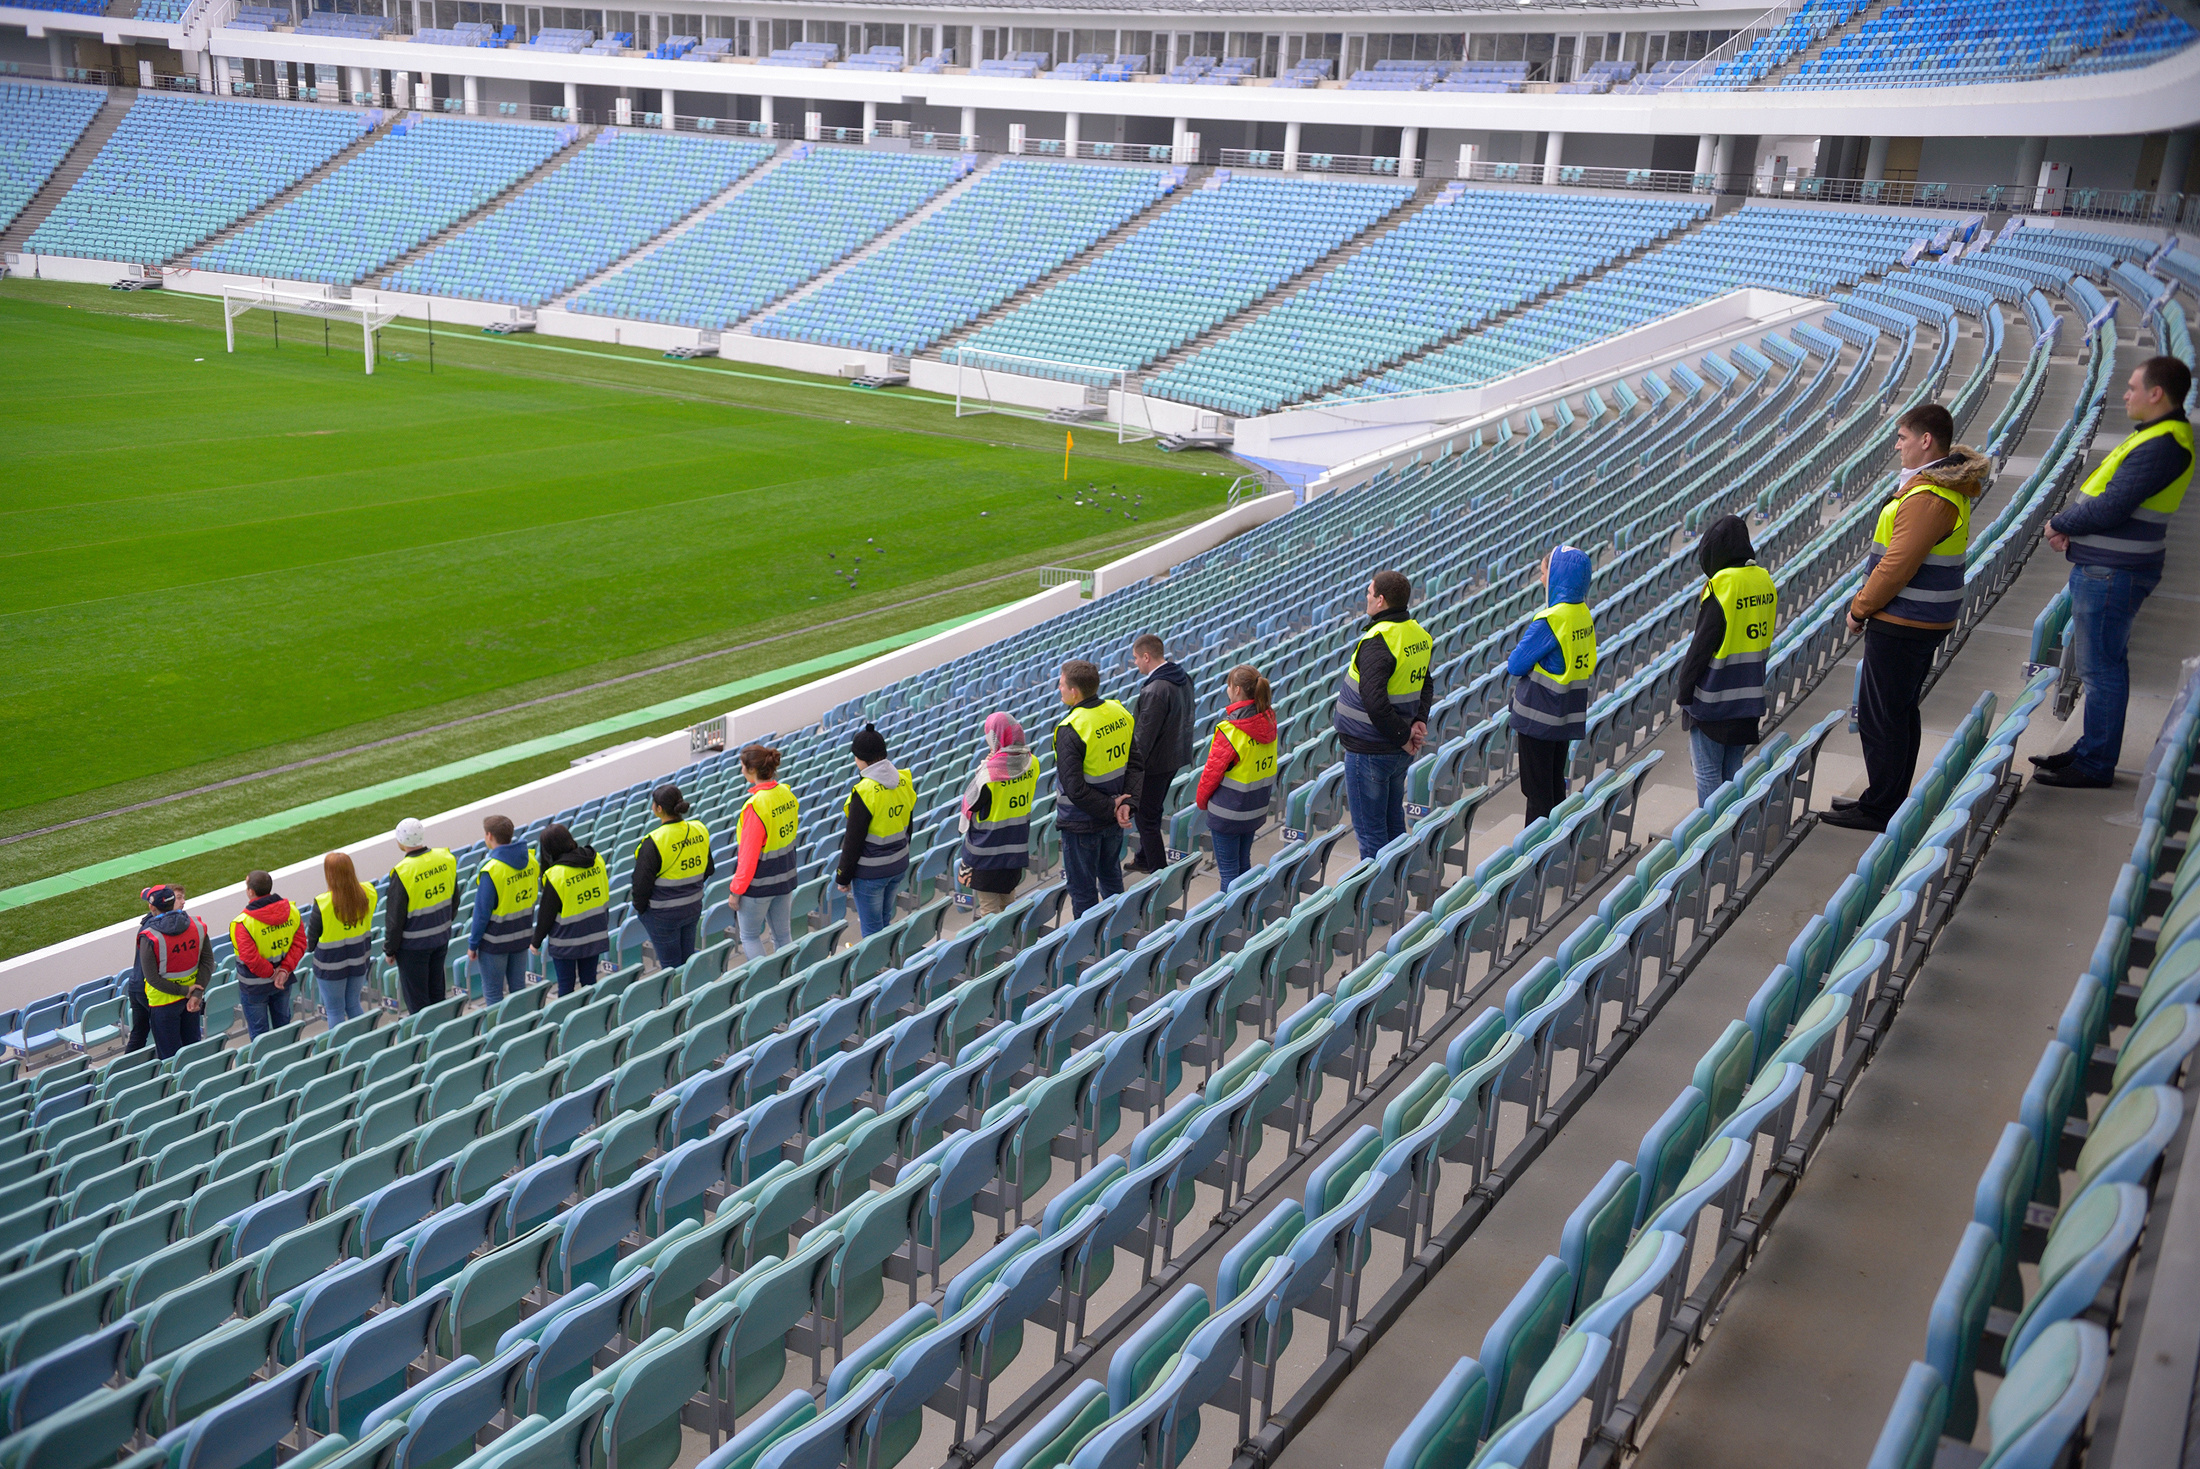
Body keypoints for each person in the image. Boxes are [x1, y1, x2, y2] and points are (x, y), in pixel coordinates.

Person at [1824, 404, 1991, 831]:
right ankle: (1883, 797)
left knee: (1882, 715)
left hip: (1905, 619)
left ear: (1925, 441)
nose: (1897, 445)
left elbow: (1897, 565)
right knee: (1896, 711)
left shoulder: (1930, 496)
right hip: (1918, 617)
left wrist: (1860, 607)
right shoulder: (1935, 487)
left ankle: (1880, 807)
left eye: (1901, 437)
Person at [2034, 354, 2192, 789]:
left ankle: (2096, 763)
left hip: (2113, 572)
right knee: (2100, 667)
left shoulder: (2163, 443)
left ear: (2156, 394)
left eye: (2133, 387)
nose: (2125, 394)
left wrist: (2060, 524)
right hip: (2108, 568)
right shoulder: (2157, 436)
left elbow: (2113, 505)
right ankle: (2089, 751)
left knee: (2101, 670)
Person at [1677, 516, 1778, 805]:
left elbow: (1701, 647)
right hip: (1749, 696)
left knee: (1707, 773)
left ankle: (1711, 838)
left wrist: (1684, 691)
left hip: (1714, 699)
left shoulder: (1722, 586)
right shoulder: (1763, 579)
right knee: (1733, 773)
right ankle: (1729, 837)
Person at [1335, 569, 1433, 859]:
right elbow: (1425, 682)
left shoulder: (1379, 640)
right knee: (1393, 828)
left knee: (1371, 835)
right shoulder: (1419, 634)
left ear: (1381, 600)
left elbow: (1375, 703)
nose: (1366, 598)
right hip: (1394, 748)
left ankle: (1376, 900)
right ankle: (1394, 893)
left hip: (1370, 751)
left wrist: (1405, 736)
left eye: (1369, 593)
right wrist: (1418, 722)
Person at [1507, 545, 1598, 823]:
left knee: (1537, 792)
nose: (1541, 578)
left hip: (1539, 717)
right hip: (1566, 714)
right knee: (1555, 784)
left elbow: (1515, 664)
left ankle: (1533, 856)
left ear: (1558, 576)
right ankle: (1555, 844)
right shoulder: (1582, 613)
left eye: (1544, 572)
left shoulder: (1551, 620)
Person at [1053, 661, 1136, 916]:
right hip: (1114, 819)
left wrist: (1113, 808)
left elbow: (1075, 789)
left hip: (1082, 824)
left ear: (1074, 691)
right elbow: (1136, 764)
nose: (1059, 688)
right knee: (1112, 878)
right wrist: (1125, 806)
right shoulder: (1119, 711)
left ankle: (1089, 950)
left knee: (1083, 891)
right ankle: (1116, 936)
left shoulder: (1071, 728)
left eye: (1062, 683)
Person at [1196, 665, 1278, 893]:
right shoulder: (1269, 721)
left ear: (1238, 689)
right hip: (1255, 807)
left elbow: (1211, 773)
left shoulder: (1230, 730)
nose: (1227, 689)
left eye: (1229, 685)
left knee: (1230, 873)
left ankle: (1229, 924)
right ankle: (1245, 918)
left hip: (1228, 812)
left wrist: (1202, 802)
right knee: (1244, 864)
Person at [1123, 634, 1194, 876]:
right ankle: (1143, 857)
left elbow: (1143, 737)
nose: (1135, 664)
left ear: (1146, 656)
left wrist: (1131, 770)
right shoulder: (1182, 677)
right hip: (1173, 756)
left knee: (1146, 818)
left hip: (1156, 763)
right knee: (1152, 810)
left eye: (1135, 658)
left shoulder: (1155, 689)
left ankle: (1157, 871)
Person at [837, 724, 917, 937]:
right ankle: (887, 967)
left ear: (861, 758)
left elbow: (853, 840)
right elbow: (909, 825)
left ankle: (877, 970)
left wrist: (843, 877)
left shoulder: (864, 791)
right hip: (898, 864)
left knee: (872, 931)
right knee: (884, 921)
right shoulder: (904, 780)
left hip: (871, 873)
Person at [727, 744, 800, 959]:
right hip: (785, 876)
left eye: (742, 766)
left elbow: (748, 857)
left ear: (751, 770)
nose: (741, 770)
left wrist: (735, 891)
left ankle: (764, 986)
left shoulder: (756, 806)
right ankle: (789, 981)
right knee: (783, 935)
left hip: (760, 884)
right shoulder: (786, 794)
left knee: (749, 936)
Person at [958, 713, 1035, 914]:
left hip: (987, 852)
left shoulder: (989, 773)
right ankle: (1009, 943)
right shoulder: (1032, 762)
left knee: (988, 911)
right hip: (1016, 846)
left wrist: (983, 767)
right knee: (1008, 904)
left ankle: (993, 945)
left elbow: (971, 802)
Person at [632, 783, 713, 971]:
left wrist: (641, 910)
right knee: (686, 963)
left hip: (663, 915)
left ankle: (677, 1000)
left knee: (671, 969)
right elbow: (708, 869)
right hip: (693, 907)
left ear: (658, 809)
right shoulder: (699, 829)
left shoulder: (654, 841)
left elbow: (640, 886)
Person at [383, 816, 458, 1013]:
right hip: (441, 938)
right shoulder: (446, 859)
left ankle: (427, 1041)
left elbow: (394, 919)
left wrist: (390, 949)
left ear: (400, 841)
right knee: (437, 994)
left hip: (413, 947)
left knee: (418, 1003)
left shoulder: (403, 872)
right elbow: (454, 899)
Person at [466, 814, 539, 1004]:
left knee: (493, 993)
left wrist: (473, 944)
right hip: (522, 935)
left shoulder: (492, 870)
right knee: (518, 989)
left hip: (495, 943)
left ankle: (498, 1034)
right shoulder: (531, 862)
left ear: (489, 836)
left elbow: (482, 914)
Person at [533, 822, 610, 995]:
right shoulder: (596, 859)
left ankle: (567, 1022)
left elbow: (546, 914)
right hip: (595, 932)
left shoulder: (556, 875)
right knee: (590, 983)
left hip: (566, 941)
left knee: (566, 988)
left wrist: (535, 942)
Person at [133, 883, 209, 1058]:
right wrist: (196, 993)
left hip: (163, 1003)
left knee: (169, 1059)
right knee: (192, 1052)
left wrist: (184, 991)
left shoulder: (149, 935)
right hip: (192, 999)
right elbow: (208, 961)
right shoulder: (197, 925)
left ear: (152, 906)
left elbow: (151, 978)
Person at [304, 851, 377, 1024]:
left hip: (331, 964)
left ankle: (338, 1050)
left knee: (335, 1010)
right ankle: (361, 1043)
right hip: (359, 957)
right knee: (353, 1005)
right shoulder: (369, 892)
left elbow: (312, 939)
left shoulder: (323, 902)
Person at [230, 870, 304, 1038]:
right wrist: (283, 971)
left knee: (259, 1035)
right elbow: (299, 944)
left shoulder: (243, 922)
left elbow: (250, 958)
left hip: (254, 987)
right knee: (284, 1028)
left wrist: (272, 974)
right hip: (283, 981)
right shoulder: (292, 911)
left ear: (250, 891)